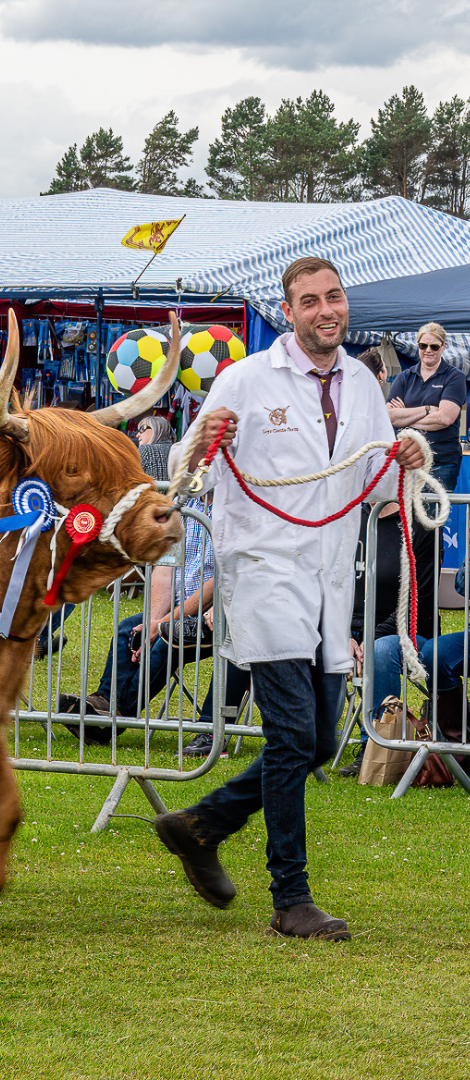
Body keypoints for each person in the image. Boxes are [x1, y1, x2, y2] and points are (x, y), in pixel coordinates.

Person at [155, 256, 425, 942]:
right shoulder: (246, 378)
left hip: (332, 576)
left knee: (321, 740)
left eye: (334, 297)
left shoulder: (364, 384)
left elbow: (370, 488)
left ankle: (201, 824)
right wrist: (206, 446)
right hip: (264, 570)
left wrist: (403, 464)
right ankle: (291, 898)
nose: (326, 310)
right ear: (289, 311)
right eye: (310, 301)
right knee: (293, 736)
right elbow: (187, 470)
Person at [59, 493, 249, 753]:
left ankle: (112, 716)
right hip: (181, 610)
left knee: (169, 637)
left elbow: (223, 578)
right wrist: (153, 621)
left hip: (222, 611)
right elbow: (165, 567)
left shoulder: (239, 505)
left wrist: (163, 624)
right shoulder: (183, 504)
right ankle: (106, 704)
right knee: (130, 629)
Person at [340, 348, 437, 777]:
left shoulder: (419, 527)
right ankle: (305, 740)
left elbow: (418, 603)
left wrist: (368, 640)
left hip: (400, 633)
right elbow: (337, 583)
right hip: (352, 630)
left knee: (381, 651)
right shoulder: (354, 517)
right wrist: (343, 635)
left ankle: (370, 744)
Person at [386, 322, 465, 493]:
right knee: (405, 515)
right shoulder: (404, 377)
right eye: (423, 345)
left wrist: (405, 420)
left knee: (432, 518)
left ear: (443, 347)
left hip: (441, 461)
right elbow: (390, 416)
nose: (428, 350)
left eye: (434, 346)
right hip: (407, 458)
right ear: (418, 345)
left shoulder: (454, 377)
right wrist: (428, 409)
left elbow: (445, 418)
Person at [136, 415, 174, 482]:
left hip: (150, 492)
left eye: (142, 429)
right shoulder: (176, 449)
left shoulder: (146, 450)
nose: (137, 435)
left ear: (155, 429)